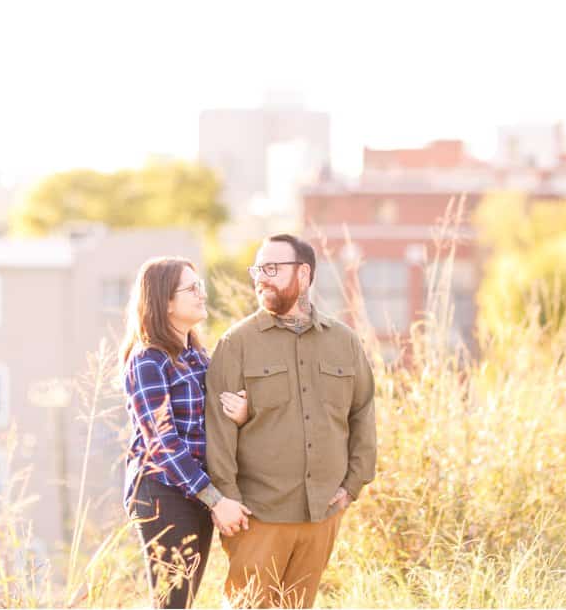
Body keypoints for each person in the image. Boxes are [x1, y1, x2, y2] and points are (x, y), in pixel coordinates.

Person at [206, 234, 377, 608]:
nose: (260, 279)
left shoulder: (344, 342)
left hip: (322, 515)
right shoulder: (236, 344)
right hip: (258, 517)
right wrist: (227, 499)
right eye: (257, 270)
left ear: (303, 274)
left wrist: (352, 484)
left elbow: (362, 412)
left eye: (272, 269)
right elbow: (217, 433)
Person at [120, 256, 252, 609]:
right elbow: (162, 443)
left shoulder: (196, 355)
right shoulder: (148, 359)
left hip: (195, 490)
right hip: (163, 493)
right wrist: (215, 499)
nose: (201, 294)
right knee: (173, 603)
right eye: (191, 288)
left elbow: (213, 420)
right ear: (165, 300)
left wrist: (241, 413)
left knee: (185, 600)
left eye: (200, 286)